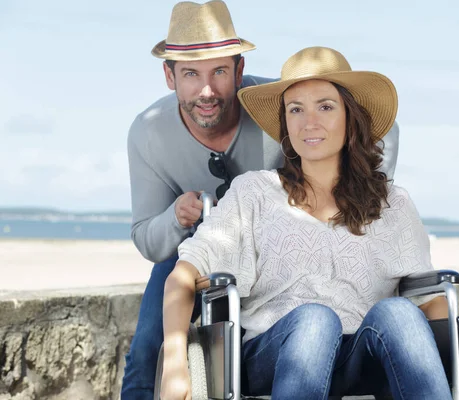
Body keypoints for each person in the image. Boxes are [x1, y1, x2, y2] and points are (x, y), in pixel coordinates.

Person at [160, 46, 459, 400]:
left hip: (360, 357)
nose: (309, 123)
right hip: (273, 355)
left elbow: (425, 297)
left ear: (351, 116)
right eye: (296, 109)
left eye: (326, 106)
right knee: (316, 321)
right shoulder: (254, 193)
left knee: (398, 312)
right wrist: (175, 362)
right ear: (285, 122)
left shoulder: (391, 204)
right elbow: (182, 276)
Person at [122, 1, 401, 399]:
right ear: (169, 75)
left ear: (239, 70)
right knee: (150, 347)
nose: (206, 90)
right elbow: (147, 240)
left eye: (219, 71)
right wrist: (175, 218)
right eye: (190, 74)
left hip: (275, 250)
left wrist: (360, 200)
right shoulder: (148, 134)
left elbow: (378, 127)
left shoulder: (280, 107)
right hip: (200, 246)